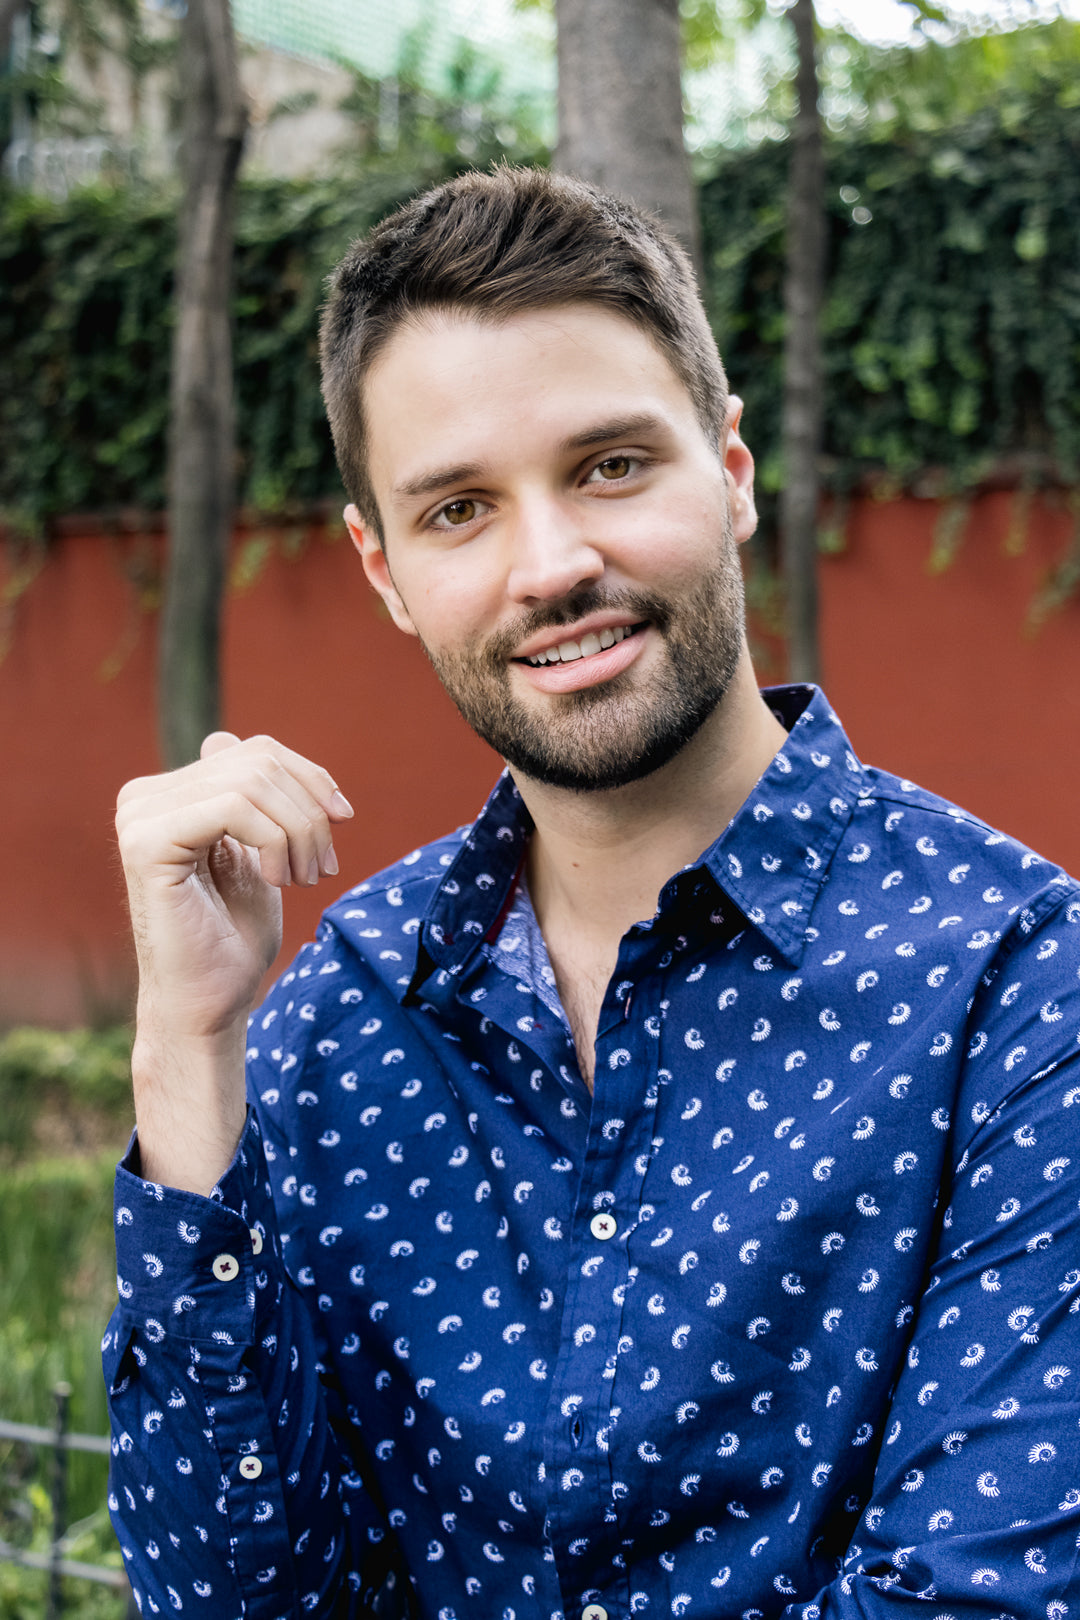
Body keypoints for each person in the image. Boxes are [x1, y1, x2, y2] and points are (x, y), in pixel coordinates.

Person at [106, 166, 1080, 1620]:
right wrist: (185, 1056)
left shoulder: (1021, 989)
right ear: (382, 569)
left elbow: (981, 1600)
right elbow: (231, 1597)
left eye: (612, 466)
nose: (553, 566)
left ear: (732, 473)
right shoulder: (334, 1020)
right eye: (458, 511)